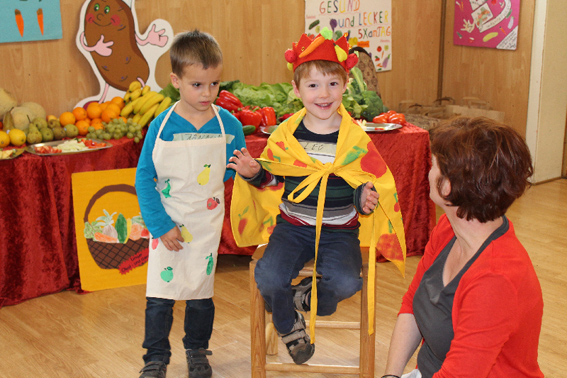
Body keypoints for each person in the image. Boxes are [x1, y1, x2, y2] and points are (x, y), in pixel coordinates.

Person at [228, 28, 406, 365]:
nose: (323, 94)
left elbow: (363, 182)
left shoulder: (353, 137)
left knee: (344, 283)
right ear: (297, 89)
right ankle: (288, 326)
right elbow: (274, 176)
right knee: (267, 276)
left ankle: (304, 298)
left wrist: (363, 199)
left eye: (333, 84)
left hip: (340, 231)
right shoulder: (287, 133)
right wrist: (254, 173)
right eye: (313, 85)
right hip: (293, 227)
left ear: (345, 85)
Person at [381, 117, 544, 378]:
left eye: (433, 165)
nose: (428, 170)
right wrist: (391, 375)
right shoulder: (449, 229)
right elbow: (412, 305)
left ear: (449, 186)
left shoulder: (496, 278)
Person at [135, 30, 246, 378]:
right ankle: (155, 356)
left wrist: (248, 173)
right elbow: (144, 178)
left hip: (205, 225)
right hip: (166, 224)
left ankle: (197, 350)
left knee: (201, 293)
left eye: (214, 84)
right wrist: (160, 224)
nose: (207, 93)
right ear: (176, 81)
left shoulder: (229, 125)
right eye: (197, 85)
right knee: (160, 297)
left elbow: (230, 171)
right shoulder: (160, 126)